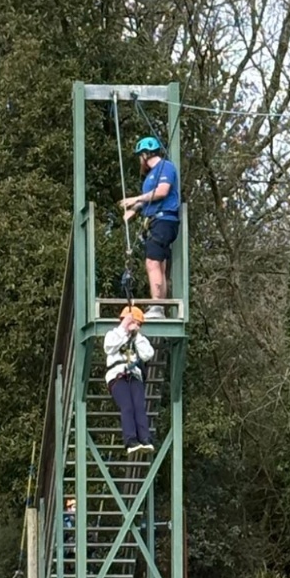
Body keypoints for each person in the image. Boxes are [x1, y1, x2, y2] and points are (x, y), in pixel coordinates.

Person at [120, 136, 180, 315]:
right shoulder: (151, 176)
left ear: (145, 154)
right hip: (157, 222)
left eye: (140, 156)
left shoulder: (165, 167)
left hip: (164, 220)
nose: (140, 160)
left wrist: (135, 198)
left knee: (152, 262)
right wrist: (134, 209)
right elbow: (150, 199)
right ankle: (159, 306)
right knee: (159, 264)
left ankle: (156, 306)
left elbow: (162, 191)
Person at [104, 305, 156, 458]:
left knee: (139, 406)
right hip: (117, 375)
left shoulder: (139, 340)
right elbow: (109, 347)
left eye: (138, 324)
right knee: (127, 406)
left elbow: (147, 354)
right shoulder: (114, 335)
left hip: (134, 375)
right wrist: (124, 328)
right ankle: (130, 440)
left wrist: (136, 335)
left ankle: (145, 438)